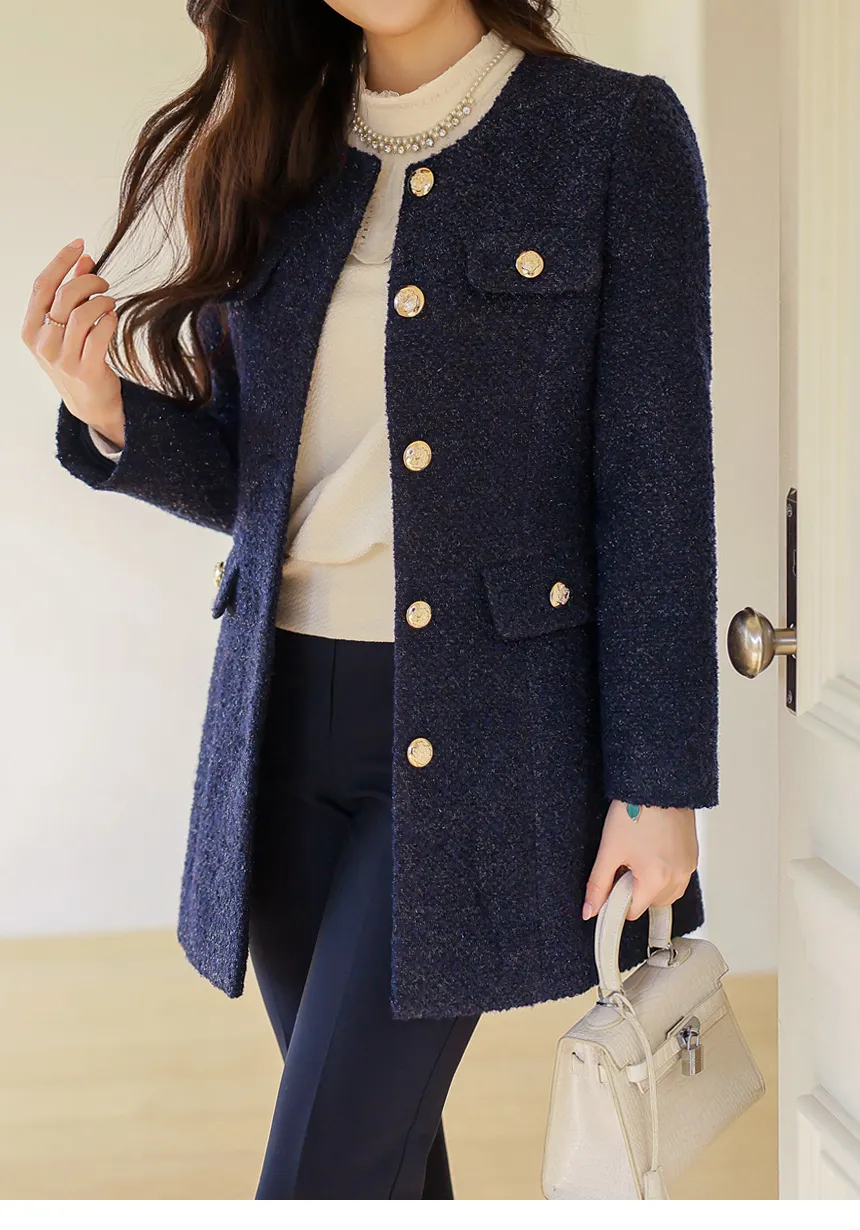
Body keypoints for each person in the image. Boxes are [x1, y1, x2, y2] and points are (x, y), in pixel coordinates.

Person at [21, 0, 718, 1201]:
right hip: (280, 730)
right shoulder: (277, 144)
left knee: (321, 1181)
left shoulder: (610, 134)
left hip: (481, 739)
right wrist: (108, 412)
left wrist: (658, 786)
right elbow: (262, 479)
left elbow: (654, 486)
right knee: (381, 1174)